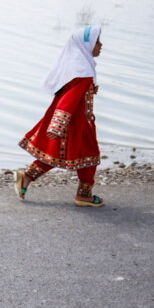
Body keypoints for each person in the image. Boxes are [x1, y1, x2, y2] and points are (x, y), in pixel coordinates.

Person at [15, 26, 104, 207]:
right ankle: (84, 195)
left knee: (59, 155)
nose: (101, 45)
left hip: (73, 122)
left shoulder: (75, 67)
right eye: (97, 42)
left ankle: (27, 177)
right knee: (89, 156)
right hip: (76, 123)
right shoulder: (83, 72)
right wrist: (57, 125)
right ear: (86, 46)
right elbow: (68, 100)